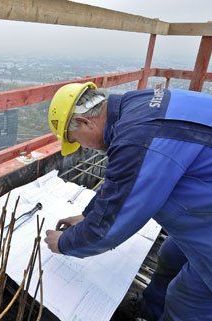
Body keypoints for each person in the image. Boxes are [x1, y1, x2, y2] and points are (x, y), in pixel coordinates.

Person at [43, 82, 212, 321]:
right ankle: (150, 313)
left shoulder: (137, 138)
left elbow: (109, 227)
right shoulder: (135, 105)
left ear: (84, 122)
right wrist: (87, 215)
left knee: (186, 301)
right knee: (171, 254)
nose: (83, 147)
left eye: (77, 140)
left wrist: (64, 243)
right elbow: (126, 180)